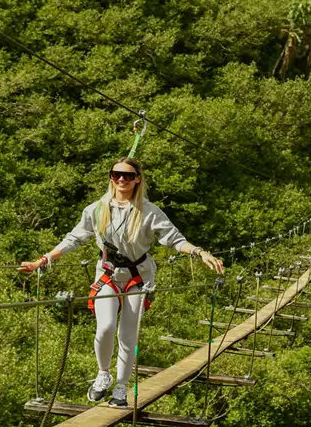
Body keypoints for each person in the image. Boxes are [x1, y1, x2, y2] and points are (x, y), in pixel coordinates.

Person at [20, 157, 224, 406]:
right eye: (116, 174)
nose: (121, 179)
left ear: (137, 179)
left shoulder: (149, 212)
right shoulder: (97, 209)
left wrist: (199, 252)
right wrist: (44, 259)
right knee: (105, 327)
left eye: (127, 175)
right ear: (111, 177)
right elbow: (74, 238)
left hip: (138, 278)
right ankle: (103, 374)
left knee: (128, 335)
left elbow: (173, 238)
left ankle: (120, 386)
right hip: (108, 274)